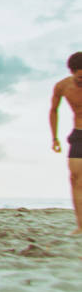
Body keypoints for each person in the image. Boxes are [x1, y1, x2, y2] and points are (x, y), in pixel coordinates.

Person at [49, 51, 82, 235]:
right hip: (79, 134)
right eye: (79, 78)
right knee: (76, 179)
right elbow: (54, 110)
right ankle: (81, 225)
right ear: (72, 72)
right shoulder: (62, 87)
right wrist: (55, 137)